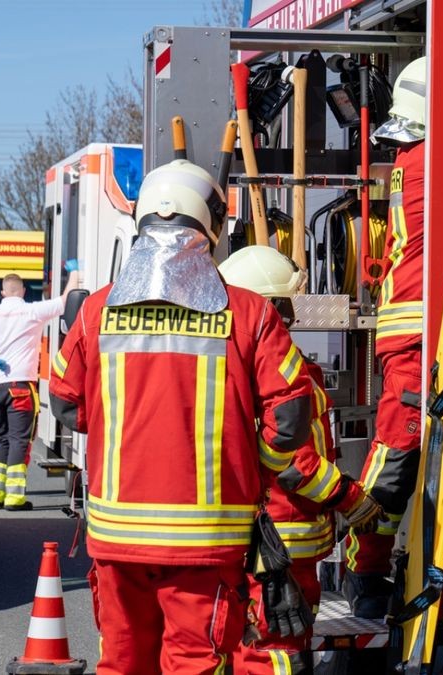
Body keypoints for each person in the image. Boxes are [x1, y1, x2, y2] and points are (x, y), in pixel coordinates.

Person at [47, 160, 317, 674]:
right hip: (208, 539)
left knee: (122, 661)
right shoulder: (251, 313)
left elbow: (66, 404)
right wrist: (252, 467)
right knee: (193, 661)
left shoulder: (94, 312)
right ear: (210, 227)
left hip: (116, 535)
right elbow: (290, 415)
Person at [219, 246, 382, 674]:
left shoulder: (225, 368)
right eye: (285, 304)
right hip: (282, 546)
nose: (292, 314)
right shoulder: (288, 376)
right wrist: (350, 499)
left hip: (251, 538)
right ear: (268, 307)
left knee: (245, 641)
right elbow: (295, 463)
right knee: (276, 648)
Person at [343, 55, 428, 618]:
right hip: (414, 334)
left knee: (406, 461)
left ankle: (379, 560)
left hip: (417, 327)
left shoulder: (411, 157)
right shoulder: (427, 162)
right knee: (396, 458)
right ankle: (362, 561)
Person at [0, 268, 80, 511]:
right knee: (20, 440)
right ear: (23, 291)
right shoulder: (31, 311)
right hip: (20, 386)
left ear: (2, 292)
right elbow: (66, 300)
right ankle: (14, 497)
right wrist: (74, 274)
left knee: (1, 439)